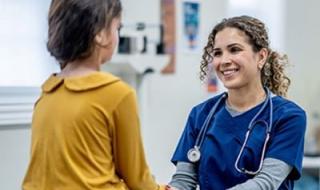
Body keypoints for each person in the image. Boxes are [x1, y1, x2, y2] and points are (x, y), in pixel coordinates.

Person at [22, 0, 164, 189]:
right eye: (117, 28)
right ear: (99, 34)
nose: (117, 36)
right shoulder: (117, 94)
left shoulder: (46, 96)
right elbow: (138, 180)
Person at [166, 15, 306, 190]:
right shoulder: (201, 114)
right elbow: (183, 181)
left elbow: (266, 183)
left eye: (234, 50)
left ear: (261, 57)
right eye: (217, 53)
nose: (224, 61)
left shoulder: (288, 116)